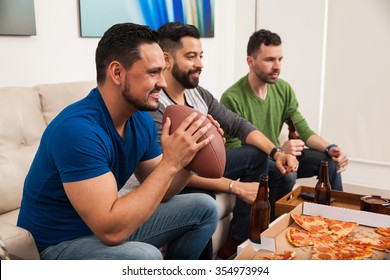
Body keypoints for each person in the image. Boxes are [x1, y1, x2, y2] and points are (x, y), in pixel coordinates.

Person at [17, 23, 220, 260]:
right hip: (59, 244)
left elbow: (164, 190)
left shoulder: (139, 118)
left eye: (162, 72)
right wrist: (171, 162)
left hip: (100, 231)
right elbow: (111, 231)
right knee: (144, 257)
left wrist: (191, 153)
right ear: (117, 73)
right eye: (153, 72)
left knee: (205, 208)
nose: (163, 83)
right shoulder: (77, 130)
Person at [148, 22, 298, 260]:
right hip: (176, 176)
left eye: (200, 56)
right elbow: (168, 170)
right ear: (167, 59)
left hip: (198, 165)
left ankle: (240, 239)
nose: (200, 63)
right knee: (201, 198)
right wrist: (234, 187)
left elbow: (239, 125)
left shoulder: (198, 93)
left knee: (256, 154)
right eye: (191, 56)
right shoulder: (156, 107)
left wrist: (277, 152)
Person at [220, 29, 349, 221]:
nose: (277, 66)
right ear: (251, 61)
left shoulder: (283, 89)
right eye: (270, 60)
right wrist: (280, 150)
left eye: (280, 59)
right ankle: (270, 225)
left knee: (327, 163)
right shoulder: (232, 97)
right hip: (261, 161)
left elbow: (303, 129)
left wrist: (330, 148)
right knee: (287, 174)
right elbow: (236, 150)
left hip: (280, 155)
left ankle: (336, 220)